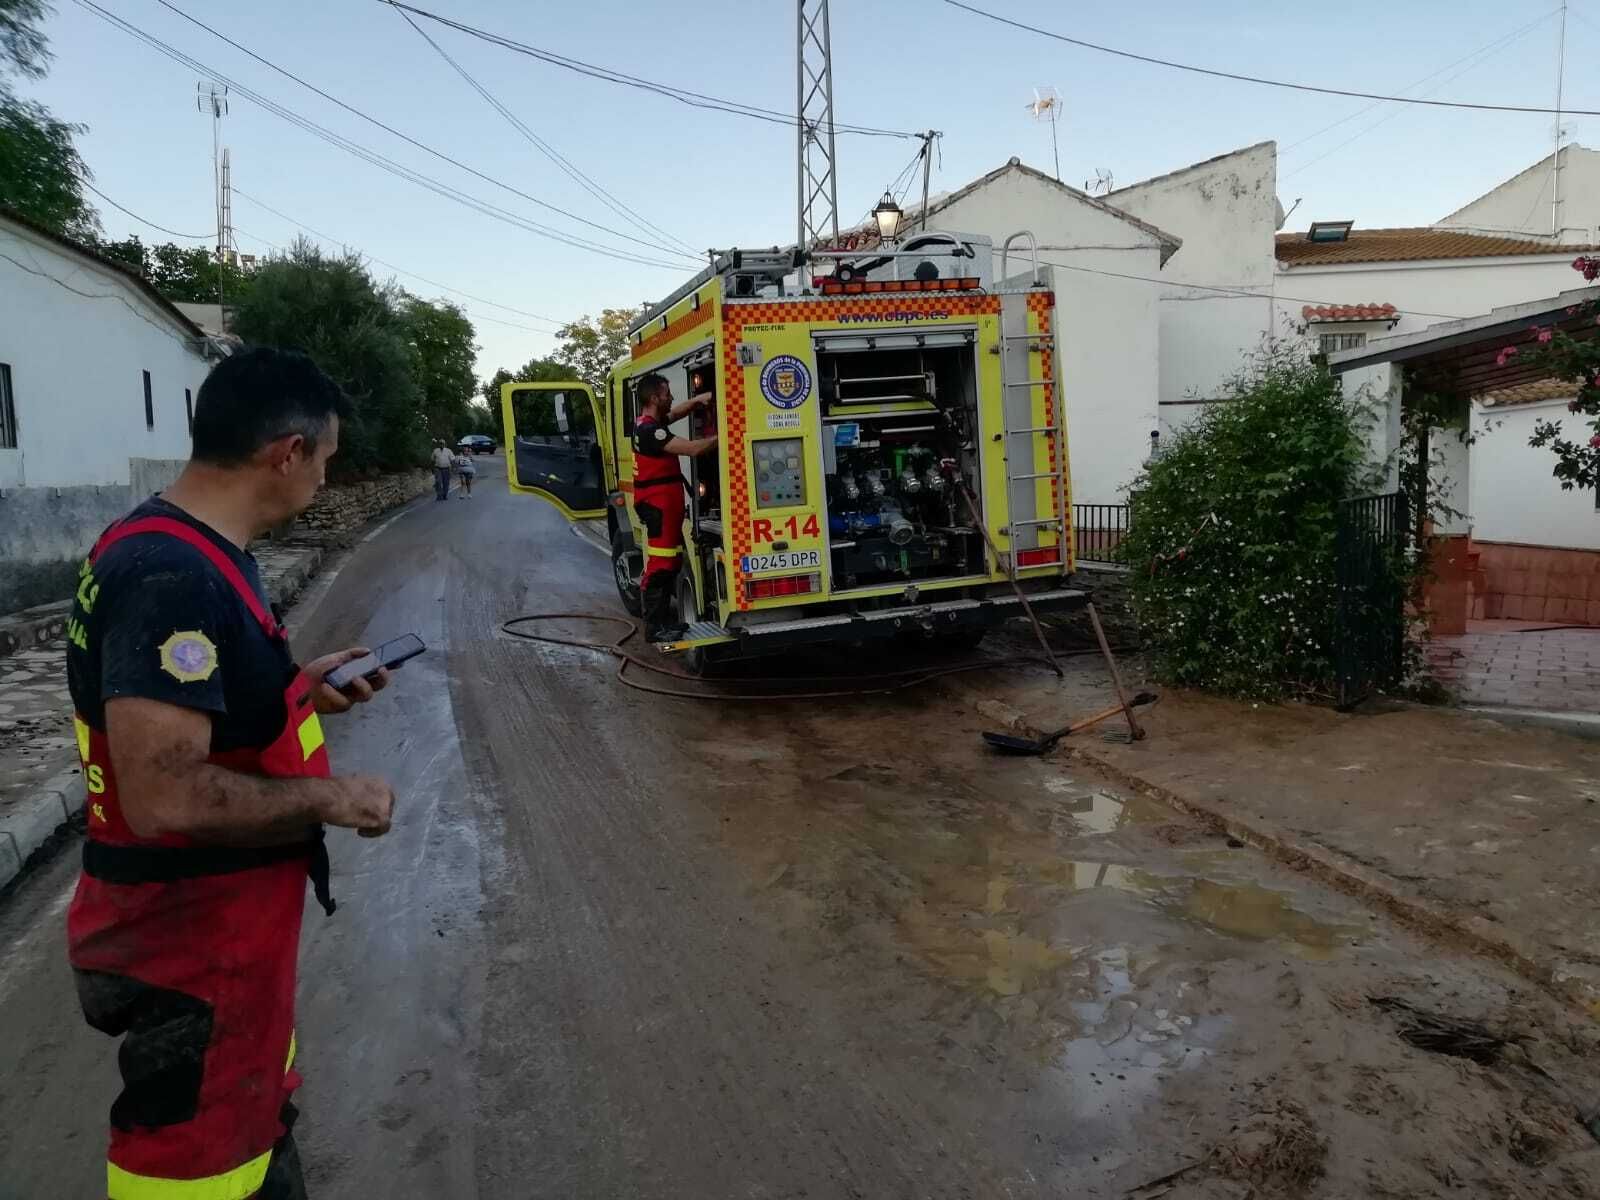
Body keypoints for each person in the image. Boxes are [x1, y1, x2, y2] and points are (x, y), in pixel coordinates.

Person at [65, 346, 399, 1200]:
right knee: (196, 1166)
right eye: (323, 459)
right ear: (285, 452)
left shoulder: (185, 546)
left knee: (247, 1138)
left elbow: (202, 713)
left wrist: (299, 690)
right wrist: (334, 797)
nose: (324, 480)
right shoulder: (173, 577)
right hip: (192, 941)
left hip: (221, 935)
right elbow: (165, 792)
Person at [631, 373, 716, 640]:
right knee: (661, 565)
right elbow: (692, 449)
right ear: (655, 398)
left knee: (671, 562)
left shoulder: (648, 424)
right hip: (659, 508)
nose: (672, 398)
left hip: (663, 506)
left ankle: (664, 623)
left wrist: (698, 401)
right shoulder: (649, 431)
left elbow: (675, 413)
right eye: (667, 394)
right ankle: (655, 628)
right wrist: (727, 435)